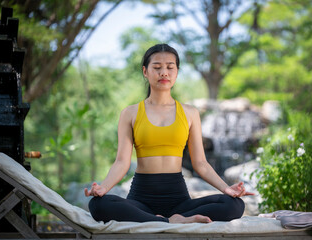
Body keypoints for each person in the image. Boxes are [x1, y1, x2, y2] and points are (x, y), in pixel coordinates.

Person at [84, 43, 254, 224]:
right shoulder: (130, 113)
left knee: (234, 205)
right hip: (140, 199)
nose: (164, 72)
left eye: (170, 67)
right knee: (98, 204)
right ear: (145, 71)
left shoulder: (190, 113)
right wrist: (103, 187)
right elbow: (122, 162)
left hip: (179, 201)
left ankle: (158, 220)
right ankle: (170, 222)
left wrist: (226, 188)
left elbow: (201, 163)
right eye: (157, 67)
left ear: (177, 72)